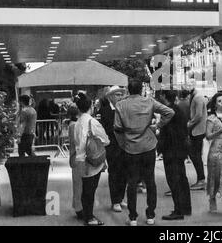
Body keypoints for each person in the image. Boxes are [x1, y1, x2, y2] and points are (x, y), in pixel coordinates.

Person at [114, 79, 175, 226]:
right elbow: (170, 112)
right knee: (150, 181)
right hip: (148, 146)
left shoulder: (120, 105)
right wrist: (157, 126)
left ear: (128, 90)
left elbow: (117, 128)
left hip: (130, 148)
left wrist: (123, 143)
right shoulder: (149, 102)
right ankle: (150, 215)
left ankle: (133, 217)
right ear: (141, 90)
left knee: (132, 182)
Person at [74, 93, 110, 226]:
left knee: (85, 189)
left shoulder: (77, 122)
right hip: (92, 160)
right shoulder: (92, 122)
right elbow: (106, 140)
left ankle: (86, 214)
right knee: (91, 190)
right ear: (91, 107)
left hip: (80, 159)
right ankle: (89, 217)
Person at [157, 90, 192, 220]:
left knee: (174, 180)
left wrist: (160, 145)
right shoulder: (176, 109)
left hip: (172, 151)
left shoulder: (169, 111)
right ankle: (185, 208)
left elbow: (168, 133)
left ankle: (178, 210)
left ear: (164, 96)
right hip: (179, 150)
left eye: (161, 95)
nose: (159, 97)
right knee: (181, 179)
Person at [98, 85, 127, 213]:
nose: (120, 97)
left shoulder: (124, 109)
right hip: (112, 146)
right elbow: (103, 129)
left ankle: (120, 198)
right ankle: (115, 200)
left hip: (125, 146)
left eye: (121, 94)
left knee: (124, 173)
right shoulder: (104, 110)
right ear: (110, 97)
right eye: (117, 95)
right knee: (114, 173)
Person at [187, 87, 208, 190]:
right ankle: (201, 179)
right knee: (195, 155)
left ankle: (201, 180)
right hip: (197, 130)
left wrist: (189, 124)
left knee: (195, 155)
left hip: (197, 131)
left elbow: (198, 115)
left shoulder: (198, 97)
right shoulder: (196, 96)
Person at [67, 104, 82, 220]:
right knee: (79, 185)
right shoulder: (75, 126)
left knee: (78, 184)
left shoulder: (72, 125)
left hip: (75, 157)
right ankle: (79, 208)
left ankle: (79, 206)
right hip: (77, 157)